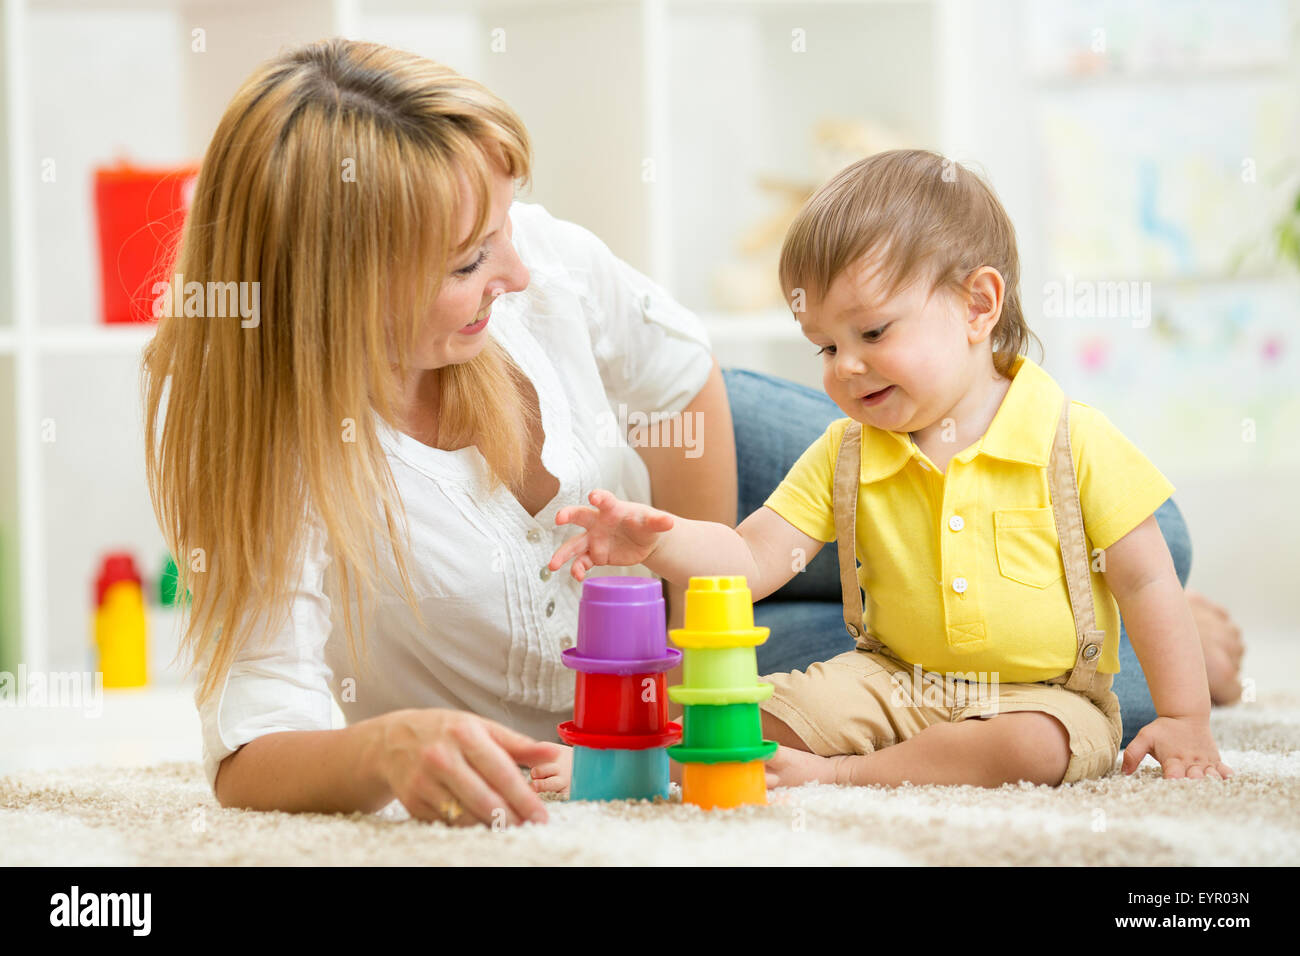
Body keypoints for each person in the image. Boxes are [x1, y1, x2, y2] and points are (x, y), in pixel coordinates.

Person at [141, 38, 737, 828]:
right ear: (336, 292)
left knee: (924, 512)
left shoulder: (543, 268)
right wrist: (386, 747)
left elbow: (678, 378)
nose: (518, 272)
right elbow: (256, 741)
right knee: (886, 676)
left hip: (711, 482)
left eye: (506, 227)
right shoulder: (271, 444)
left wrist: (707, 645)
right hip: (629, 667)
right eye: (468, 263)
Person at [542, 149, 1235, 789]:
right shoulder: (847, 450)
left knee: (1033, 750)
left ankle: (843, 778)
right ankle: (631, 764)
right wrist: (661, 541)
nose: (845, 366)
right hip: (888, 678)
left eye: (872, 333)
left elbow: (1146, 577)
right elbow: (752, 557)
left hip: (1041, 696)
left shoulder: (1072, 437)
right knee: (747, 716)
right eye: (825, 346)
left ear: (977, 305)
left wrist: (1185, 718)